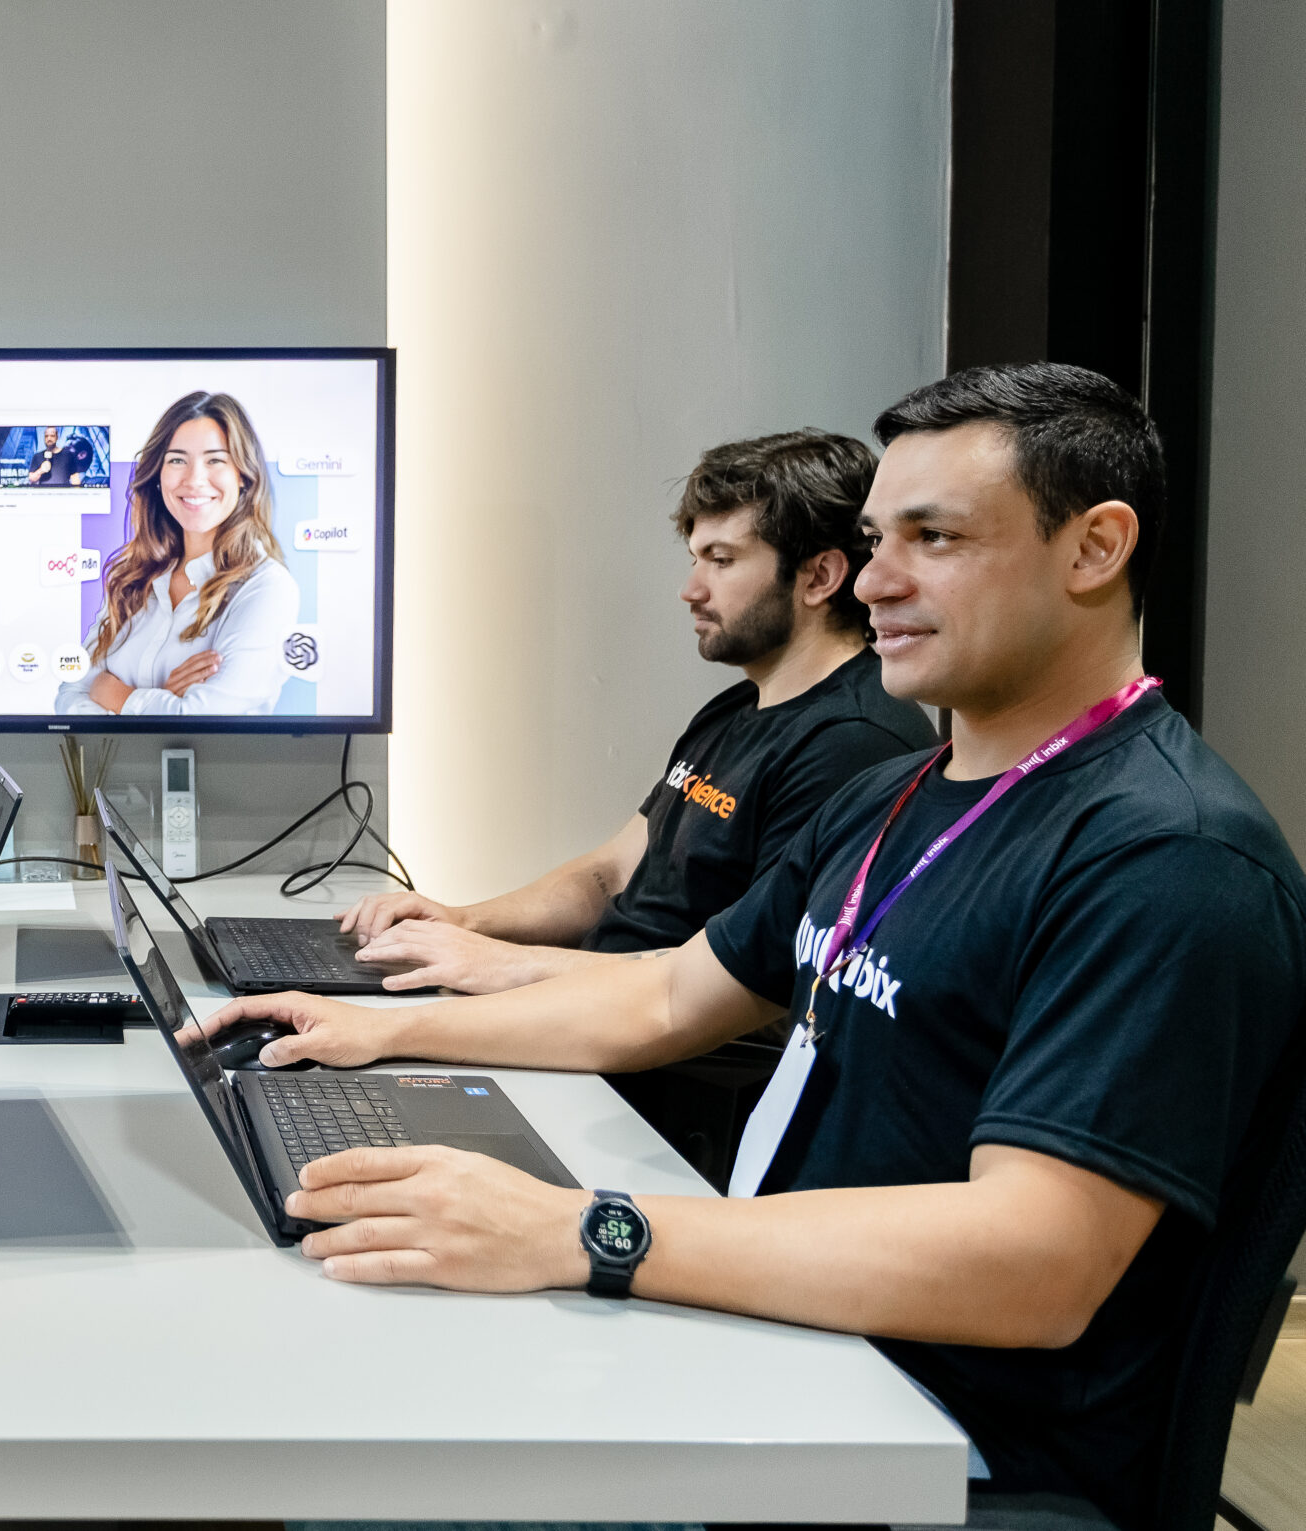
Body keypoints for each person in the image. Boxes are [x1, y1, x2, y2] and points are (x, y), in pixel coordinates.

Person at [200, 365, 1306, 1528]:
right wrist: (379, 1032)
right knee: (355, 1391)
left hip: (938, 1447)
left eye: (933, 538)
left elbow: (1030, 1263)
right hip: (790, 1338)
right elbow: (667, 1000)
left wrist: (585, 1230)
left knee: (367, 1493)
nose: (874, 581)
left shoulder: (1166, 861)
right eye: (877, 537)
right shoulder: (899, 791)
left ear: (1094, 549)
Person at [336, 431, 936, 1180]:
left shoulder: (856, 745)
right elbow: (612, 870)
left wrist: (508, 967)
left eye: (721, 560)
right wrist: (462, 922)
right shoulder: (738, 708)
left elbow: (739, 990)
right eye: (695, 559)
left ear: (818, 576)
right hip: (588, 1031)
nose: (691, 588)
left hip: (666, 1092)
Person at [55, 391, 300, 716]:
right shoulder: (135, 576)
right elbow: (70, 695)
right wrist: (161, 699)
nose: (195, 479)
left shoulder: (267, 588)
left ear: (242, 475)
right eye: (177, 460)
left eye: (216, 460)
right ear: (158, 475)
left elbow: (210, 721)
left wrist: (113, 693)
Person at [25, 423, 95, 486]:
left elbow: (75, 478)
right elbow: (31, 479)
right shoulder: (38, 456)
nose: (49, 438)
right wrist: (41, 470)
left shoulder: (94, 482)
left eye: (68, 447)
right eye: (46, 436)